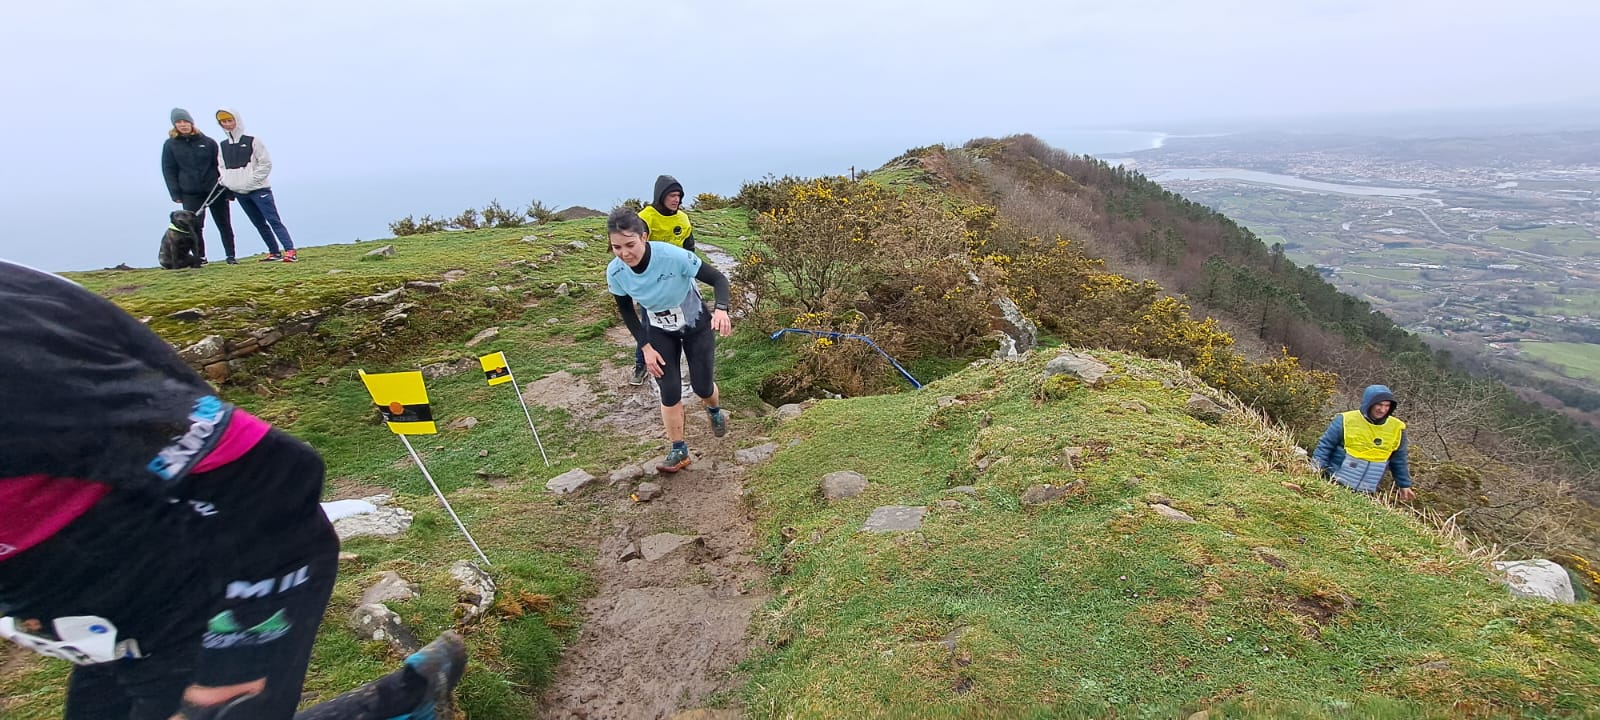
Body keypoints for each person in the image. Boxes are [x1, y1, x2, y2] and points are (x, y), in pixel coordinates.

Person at [0, 259, 465, 719]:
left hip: (191, 572)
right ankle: (403, 702)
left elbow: (276, 473)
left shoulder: (20, 367)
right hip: (77, 588)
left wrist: (235, 655)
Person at [605, 208, 732, 472]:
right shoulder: (616, 272)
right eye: (617, 247)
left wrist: (721, 309)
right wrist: (645, 347)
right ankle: (678, 450)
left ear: (644, 237)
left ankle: (714, 410)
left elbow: (718, 279)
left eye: (630, 245)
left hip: (695, 323)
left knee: (702, 387)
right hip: (659, 329)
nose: (624, 253)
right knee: (670, 390)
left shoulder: (673, 256)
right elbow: (627, 311)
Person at [628, 175, 697, 385]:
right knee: (649, 323)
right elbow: (634, 249)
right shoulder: (645, 218)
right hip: (652, 281)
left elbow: (689, 247)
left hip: (678, 279)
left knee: (691, 319)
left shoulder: (683, 219)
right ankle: (641, 364)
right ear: (660, 196)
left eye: (679, 196)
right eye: (672, 195)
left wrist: (690, 270)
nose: (676, 200)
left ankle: (694, 364)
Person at [215, 108, 297, 263]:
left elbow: (265, 163)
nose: (227, 124)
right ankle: (274, 252)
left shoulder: (253, 141)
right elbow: (222, 167)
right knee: (259, 223)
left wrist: (252, 181)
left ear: (237, 120)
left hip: (259, 190)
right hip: (240, 192)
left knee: (273, 220)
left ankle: (290, 251)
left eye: (230, 120)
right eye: (223, 122)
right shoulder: (222, 146)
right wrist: (228, 182)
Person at [1311, 384, 1416, 501]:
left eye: (1387, 405)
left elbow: (1399, 459)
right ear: (1369, 403)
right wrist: (1315, 469)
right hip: (1334, 483)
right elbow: (1325, 446)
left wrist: (1404, 485)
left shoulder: (1397, 427)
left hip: (1366, 492)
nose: (1383, 410)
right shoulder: (1345, 419)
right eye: (1379, 404)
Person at [162, 109, 236, 264]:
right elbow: (169, 170)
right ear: (175, 125)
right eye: (179, 122)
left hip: (215, 190)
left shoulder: (209, 142)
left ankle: (231, 256)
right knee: (195, 227)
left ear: (191, 123)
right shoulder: (170, 145)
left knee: (224, 224)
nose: (183, 125)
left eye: (185, 121)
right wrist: (175, 193)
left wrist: (229, 190)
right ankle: (200, 257)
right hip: (190, 192)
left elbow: (221, 166)